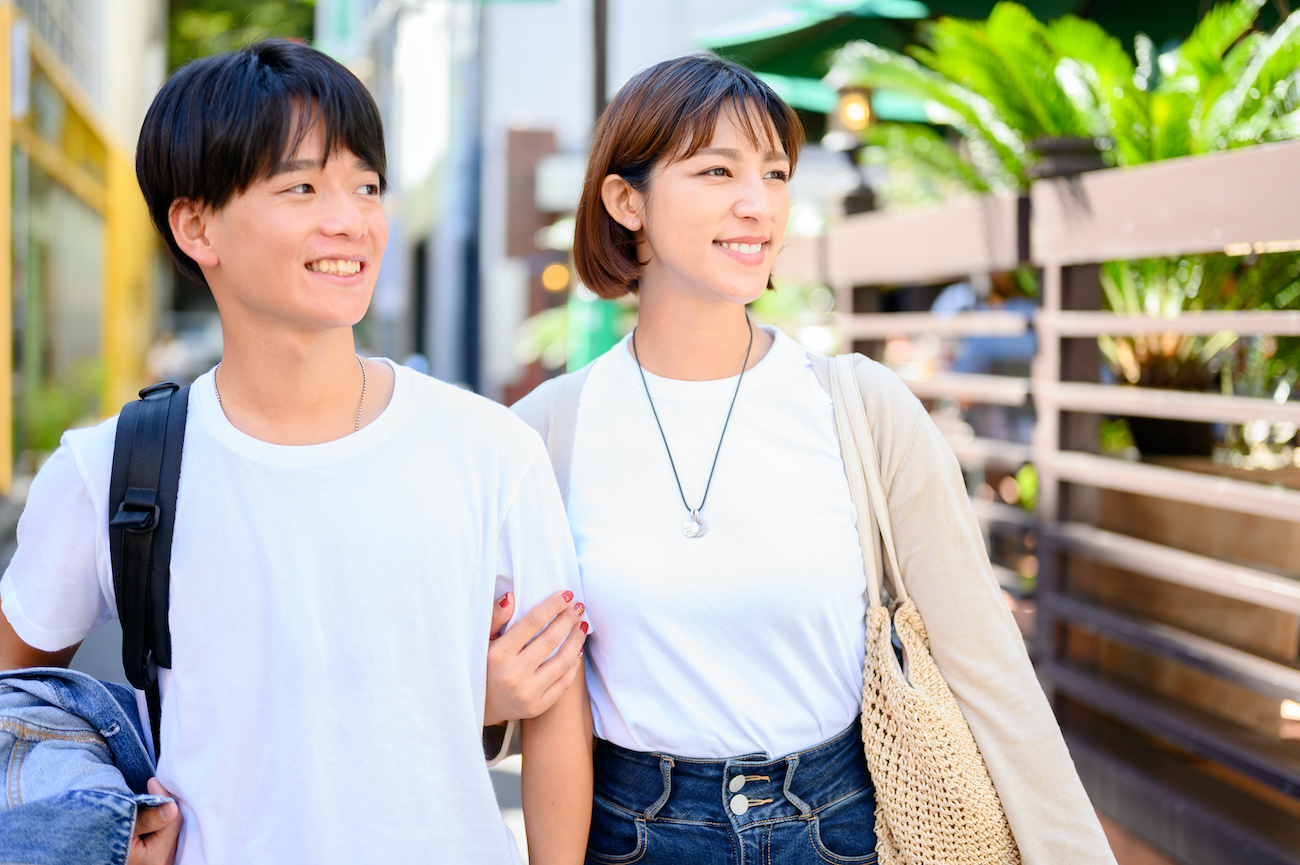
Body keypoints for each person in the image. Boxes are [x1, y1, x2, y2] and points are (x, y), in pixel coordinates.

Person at [490, 54, 1117, 864]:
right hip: (631, 834)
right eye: (717, 170)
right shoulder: (543, 433)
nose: (758, 205)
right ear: (625, 199)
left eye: (777, 174)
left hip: (846, 828)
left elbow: (987, 664)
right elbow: (520, 692)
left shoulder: (862, 409)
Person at [0, 40, 590, 865]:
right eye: (302, 186)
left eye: (366, 185)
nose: (349, 218)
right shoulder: (110, 470)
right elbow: (16, 710)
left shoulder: (490, 450)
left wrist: (461, 695)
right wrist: (101, 827)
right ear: (196, 224)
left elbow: (561, 716)